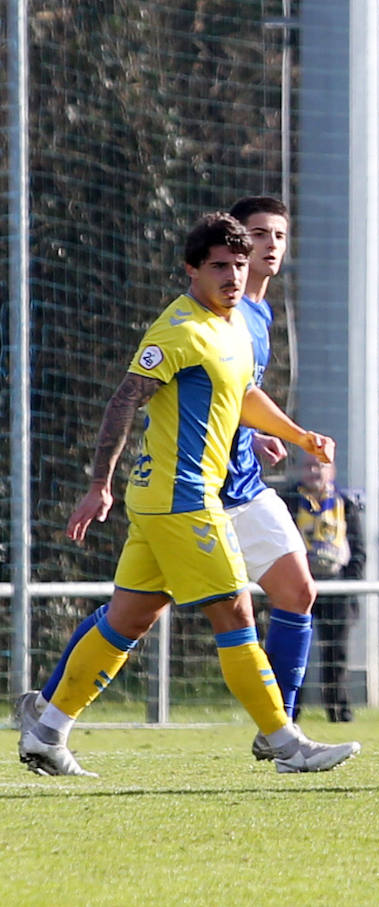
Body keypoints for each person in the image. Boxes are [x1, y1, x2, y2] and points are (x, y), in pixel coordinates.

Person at [15, 213, 360, 776]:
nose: (231, 276)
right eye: (219, 267)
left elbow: (244, 394)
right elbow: (125, 399)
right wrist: (99, 484)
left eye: (238, 266)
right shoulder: (180, 330)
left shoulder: (234, 326)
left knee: (129, 618)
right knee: (234, 610)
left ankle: (47, 732)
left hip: (165, 500)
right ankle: (285, 742)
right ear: (191, 270)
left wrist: (295, 435)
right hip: (182, 497)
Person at [284, 453, 364, 723]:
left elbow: (359, 550)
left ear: (332, 470)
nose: (314, 471)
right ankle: (288, 714)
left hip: (336, 587)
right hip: (298, 585)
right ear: (299, 470)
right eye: (308, 465)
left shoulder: (346, 503)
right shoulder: (287, 502)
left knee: (336, 654)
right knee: (295, 653)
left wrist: (349, 586)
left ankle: (340, 714)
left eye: (320, 465)